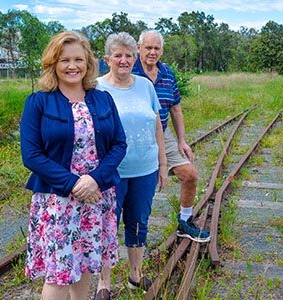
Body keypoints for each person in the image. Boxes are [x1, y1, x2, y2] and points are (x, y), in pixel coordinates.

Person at [20, 31, 126, 300]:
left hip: (96, 197)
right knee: (58, 274)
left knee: (88, 264)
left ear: (88, 62)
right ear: (53, 63)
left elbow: (118, 145)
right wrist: (76, 184)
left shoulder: (103, 99)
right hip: (58, 201)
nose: (72, 66)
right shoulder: (39, 101)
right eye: (64, 60)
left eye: (79, 59)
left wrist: (95, 180)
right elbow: (31, 155)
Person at [95, 32, 167, 299]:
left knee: (138, 223)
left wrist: (162, 163)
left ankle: (135, 276)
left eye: (128, 56)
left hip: (145, 169)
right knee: (107, 225)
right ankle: (104, 282)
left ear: (134, 58)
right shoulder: (96, 88)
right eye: (118, 56)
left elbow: (157, 124)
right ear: (107, 59)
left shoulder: (146, 86)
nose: (123, 60)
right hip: (110, 173)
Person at [132, 30, 210, 243]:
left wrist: (181, 140)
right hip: (134, 136)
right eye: (148, 47)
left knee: (190, 174)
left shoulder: (167, 73)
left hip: (162, 131)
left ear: (162, 51)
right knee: (141, 189)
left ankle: (185, 222)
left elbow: (175, 109)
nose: (152, 52)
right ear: (138, 48)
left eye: (157, 48)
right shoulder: (130, 71)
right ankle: (137, 240)